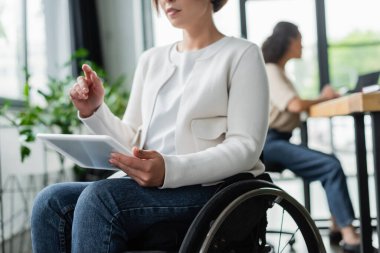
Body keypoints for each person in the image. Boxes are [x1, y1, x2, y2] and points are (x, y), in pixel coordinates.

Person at [30, 0, 269, 252]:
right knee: (50, 201)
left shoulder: (242, 54)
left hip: (212, 189)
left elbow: (245, 147)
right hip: (148, 187)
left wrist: (169, 170)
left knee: (101, 198)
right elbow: (131, 142)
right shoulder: (151, 60)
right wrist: (95, 110)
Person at [261, 21, 362, 252]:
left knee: (330, 164)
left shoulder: (279, 71)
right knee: (330, 166)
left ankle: (338, 226)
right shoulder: (271, 70)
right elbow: (295, 105)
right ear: (288, 41)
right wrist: (324, 98)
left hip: (278, 140)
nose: (303, 45)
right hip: (271, 143)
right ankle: (351, 236)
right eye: (300, 39)